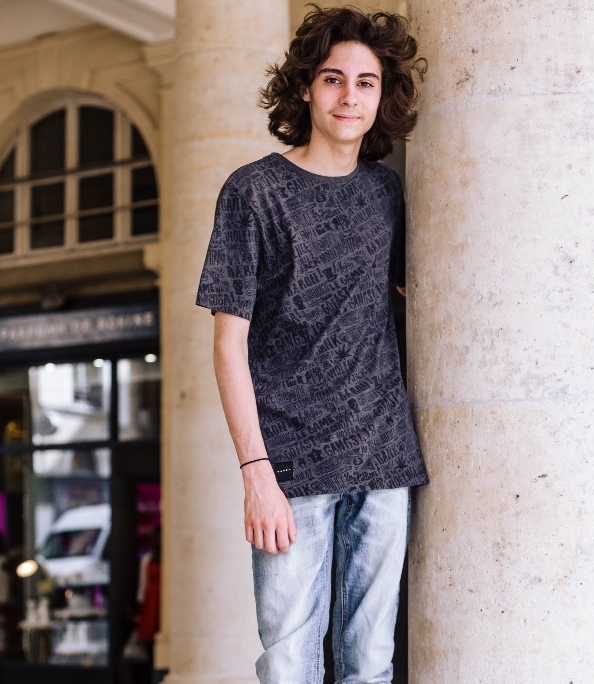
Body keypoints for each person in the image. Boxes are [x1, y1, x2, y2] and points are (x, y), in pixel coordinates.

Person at [196, 5, 429, 682]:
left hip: (384, 458)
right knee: (288, 665)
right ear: (304, 87)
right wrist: (256, 475)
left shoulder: (385, 192)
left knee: (371, 665)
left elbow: (416, 291)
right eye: (333, 79)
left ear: (381, 96)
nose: (349, 96)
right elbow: (228, 345)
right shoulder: (254, 191)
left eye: (366, 82)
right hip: (290, 468)